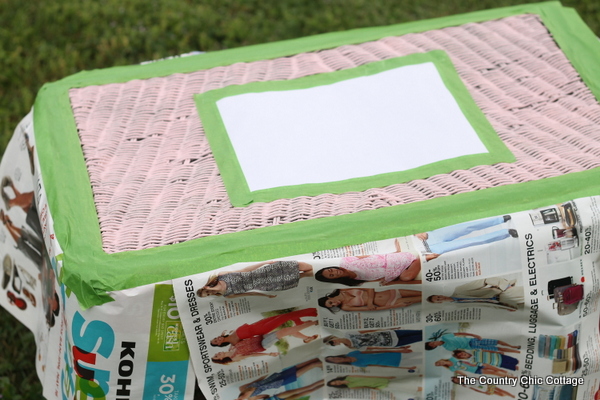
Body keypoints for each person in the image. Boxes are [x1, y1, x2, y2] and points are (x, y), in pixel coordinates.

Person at [211, 321, 317, 364]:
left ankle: (306, 338)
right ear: (220, 359)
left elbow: (234, 337)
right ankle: (314, 323)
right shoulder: (234, 357)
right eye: (217, 356)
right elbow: (252, 355)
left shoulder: (231, 347)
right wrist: (268, 354)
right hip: (263, 344)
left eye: (215, 354)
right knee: (284, 331)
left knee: (287, 330)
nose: (217, 354)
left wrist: (224, 335)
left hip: (260, 337)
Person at [197, 261, 313, 298]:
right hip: (267, 284)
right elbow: (251, 294)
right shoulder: (227, 295)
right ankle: (321, 271)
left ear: (205, 287)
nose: (209, 293)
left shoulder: (221, 275)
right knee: (303, 275)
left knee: (302, 267)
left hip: (263, 272)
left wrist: (265, 263)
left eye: (206, 292)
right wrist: (266, 296)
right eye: (207, 295)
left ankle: (322, 267)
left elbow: (245, 270)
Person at [414, 215, 517, 255]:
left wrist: (415, 232)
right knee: (472, 242)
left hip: (427, 237)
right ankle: (507, 232)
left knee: (466, 227)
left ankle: (500, 219)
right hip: (430, 251)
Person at [211, 308, 318, 346]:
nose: (217, 339)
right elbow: (250, 343)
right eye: (216, 341)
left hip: (259, 323)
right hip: (261, 329)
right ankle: (313, 312)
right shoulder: (234, 343)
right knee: (286, 316)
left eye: (215, 338)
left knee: (283, 316)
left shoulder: (231, 333)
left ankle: (302, 327)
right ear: (219, 344)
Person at [236, 359, 322, 400]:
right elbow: (260, 382)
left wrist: (266, 372)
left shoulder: (247, 395)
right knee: (294, 369)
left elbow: (264, 395)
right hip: (274, 379)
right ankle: (315, 361)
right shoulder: (244, 392)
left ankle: (316, 364)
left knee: (295, 372)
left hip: (275, 382)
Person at [427, 277, 524, 311]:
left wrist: (506, 286)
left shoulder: (459, 290)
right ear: (439, 303)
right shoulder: (458, 307)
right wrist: (504, 308)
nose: (441, 298)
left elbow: (484, 280)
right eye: (438, 300)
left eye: (438, 296)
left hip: (504, 294)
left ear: (440, 294)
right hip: (504, 305)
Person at [318, 288, 421, 313]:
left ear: (329, 297)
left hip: (391, 292)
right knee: (424, 298)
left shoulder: (341, 290)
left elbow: (370, 289)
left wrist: (370, 302)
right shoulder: (345, 307)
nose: (335, 304)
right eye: (332, 306)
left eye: (331, 302)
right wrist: (394, 306)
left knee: (425, 291)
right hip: (390, 303)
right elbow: (372, 309)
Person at [425, 332, 520, 354]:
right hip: (472, 346)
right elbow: (461, 351)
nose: (434, 343)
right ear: (435, 347)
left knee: (497, 342)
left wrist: (474, 335)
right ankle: (516, 351)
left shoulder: (445, 336)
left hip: (472, 340)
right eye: (433, 345)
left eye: (432, 342)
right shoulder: (448, 348)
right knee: (498, 349)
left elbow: (460, 333)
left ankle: (513, 346)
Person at [324, 329, 422, 350]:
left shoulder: (348, 333)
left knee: (419, 331)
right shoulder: (351, 347)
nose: (335, 342)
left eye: (331, 341)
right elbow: (373, 348)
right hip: (392, 343)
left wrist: (390, 329)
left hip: (389, 333)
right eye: (333, 344)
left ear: (333, 337)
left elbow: (367, 331)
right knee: (419, 337)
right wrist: (398, 349)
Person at [325, 349, 418, 370]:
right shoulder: (356, 365)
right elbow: (380, 366)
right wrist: (406, 368)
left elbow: (374, 350)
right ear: (336, 363)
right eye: (333, 360)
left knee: (420, 353)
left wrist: (399, 350)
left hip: (394, 355)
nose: (335, 359)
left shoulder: (352, 353)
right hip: (394, 363)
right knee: (420, 361)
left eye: (333, 357)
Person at [245, 380, 324, 400]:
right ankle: (324, 381)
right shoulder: (250, 398)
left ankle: (324, 384)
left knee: (302, 394)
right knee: (303, 389)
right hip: (276, 397)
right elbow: (264, 396)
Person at [435, 359, 516, 378]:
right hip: (474, 370)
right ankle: (510, 377)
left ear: (441, 360)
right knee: (493, 373)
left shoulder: (452, 358)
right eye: (439, 365)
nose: (440, 363)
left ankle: (507, 373)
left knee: (496, 369)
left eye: (439, 362)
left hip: (477, 364)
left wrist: (472, 363)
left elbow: (465, 359)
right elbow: (461, 373)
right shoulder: (451, 368)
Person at [452, 349, 519, 371]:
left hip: (500, 356)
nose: (462, 355)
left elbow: (485, 350)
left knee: (516, 361)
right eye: (460, 356)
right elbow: (484, 365)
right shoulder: (471, 361)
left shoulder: (474, 350)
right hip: (498, 364)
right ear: (461, 358)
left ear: (463, 351)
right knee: (515, 368)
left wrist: (497, 352)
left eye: (461, 353)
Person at [451, 376, 515, 397]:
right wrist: (484, 393)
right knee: (500, 394)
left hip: (486, 384)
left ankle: (512, 396)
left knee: (500, 390)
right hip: (484, 389)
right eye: (455, 381)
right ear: (457, 382)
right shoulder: (464, 385)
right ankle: (507, 395)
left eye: (456, 379)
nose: (456, 380)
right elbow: (474, 389)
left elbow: (477, 378)